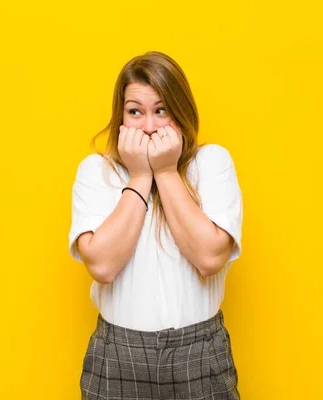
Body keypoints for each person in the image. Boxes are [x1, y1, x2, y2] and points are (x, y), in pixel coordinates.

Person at [68, 51, 243, 399]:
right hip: (117, 354)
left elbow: (209, 258)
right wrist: (139, 175)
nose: (148, 126)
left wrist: (164, 171)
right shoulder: (96, 171)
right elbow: (101, 265)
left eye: (161, 110)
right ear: (121, 116)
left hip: (201, 353)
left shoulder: (212, 164)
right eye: (135, 112)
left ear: (180, 111)